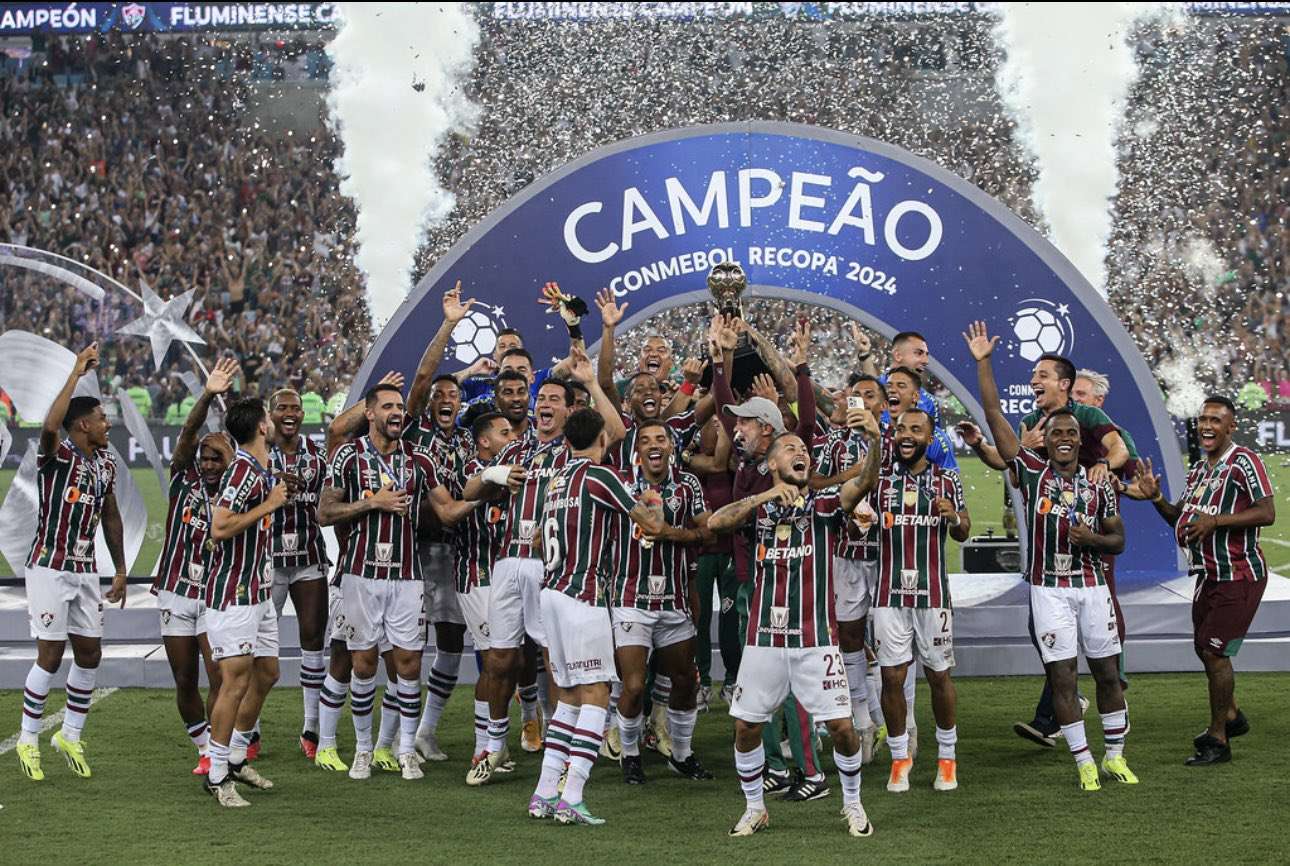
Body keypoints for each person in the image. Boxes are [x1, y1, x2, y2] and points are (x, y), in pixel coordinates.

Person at [967, 321, 1137, 791]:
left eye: (1069, 433)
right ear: (1046, 439)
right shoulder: (1032, 472)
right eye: (1055, 432)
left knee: (1106, 674)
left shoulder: (1096, 483)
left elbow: (1118, 540)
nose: (1062, 437)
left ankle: (1115, 757)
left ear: (1079, 441)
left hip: (1092, 588)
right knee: (1062, 676)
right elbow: (995, 414)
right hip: (1049, 591)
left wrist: (1091, 540)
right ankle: (1084, 763)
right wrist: (984, 364)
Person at [708, 426, 881, 839]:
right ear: (771, 464)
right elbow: (717, 522)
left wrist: (875, 442)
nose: (800, 451)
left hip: (816, 638)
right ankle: (755, 808)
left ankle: (853, 804)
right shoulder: (759, 509)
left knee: (842, 727)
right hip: (763, 638)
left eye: (804, 448)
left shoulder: (823, 506)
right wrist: (766, 495)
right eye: (789, 448)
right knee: (746, 727)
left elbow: (862, 484)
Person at [463, 351, 624, 785]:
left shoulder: (573, 451)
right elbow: (469, 488)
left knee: (557, 661)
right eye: (542, 400)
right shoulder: (513, 448)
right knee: (500, 659)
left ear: (568, 411)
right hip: (506, 563)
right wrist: (494, 475)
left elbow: (617, 432)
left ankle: (563, 742)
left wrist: (589, 384)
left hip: (549, 568)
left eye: (554, 399)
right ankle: (494, 746)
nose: (545, 405)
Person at [526, 408, 668, 826]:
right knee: (596, 695)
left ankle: (543, 793)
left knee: (568, 696)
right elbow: (649, 523)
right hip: (582, 595)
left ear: (567, 440)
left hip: (550, 592)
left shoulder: (556, 480)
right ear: (602, 440)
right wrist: (651, 503)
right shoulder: (598, 475)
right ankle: (572, 795)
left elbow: (537, 537)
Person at [711, 314, 829, 801]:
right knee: (759, 686)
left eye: (744, 421)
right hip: (749, 584)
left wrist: (800, 368)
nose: (734, 426)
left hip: (780, 589)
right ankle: (780, 767)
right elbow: (721, 410)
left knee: (786, 687)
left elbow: (804, 421)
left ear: (766, 428)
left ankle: (813, 773)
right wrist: (719, 360)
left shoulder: (786, 455)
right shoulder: (749, 458)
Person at [1123, 396, 1275, 766]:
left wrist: (1216, 521)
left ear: (1231, 426)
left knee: (1214, 651)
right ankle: (1233, 716)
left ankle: (1218, 739)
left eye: (1216, 420)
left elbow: (1267, 513)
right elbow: (1181, 520)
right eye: (1203, 419)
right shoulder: (1198, 471)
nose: (1206, 426)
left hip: (1238, 573)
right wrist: (1156, 497)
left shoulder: (1244, 461)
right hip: (1207, 575)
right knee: (1204, 648)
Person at [17, 343, 128, 783]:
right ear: (82, 424)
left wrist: (119, 569)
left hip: (85, 570)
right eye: (102, 418)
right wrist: (76, 372)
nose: (108, 423)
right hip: (49, 565)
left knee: (90, 652)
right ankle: (28, 737)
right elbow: (49, 424)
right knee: (50, 653)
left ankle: (70, 734)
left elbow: (111, 515)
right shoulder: (56, 456)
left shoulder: (105, 462)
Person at [318, 383, 440, 782]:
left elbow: (447, 508)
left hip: (407, 576)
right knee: (363, 663)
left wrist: (488, 485)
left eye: (400, 407)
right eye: (387, 406)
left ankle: (405, 751)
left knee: (408, 664)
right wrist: (373, 502)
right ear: (369, 413)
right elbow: (325, 512)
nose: (396, 413)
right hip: (359, 575)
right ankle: (364, 750)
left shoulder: (419, 461)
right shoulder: (348, 458)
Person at [868, 408, 971, 794]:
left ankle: (947, 757)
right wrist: (858, 519)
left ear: (930, 438)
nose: (907, 435)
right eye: (901, 429)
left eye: (916, 430)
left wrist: (954, 518)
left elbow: (963, 531)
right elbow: (856, 520)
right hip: (888, 593)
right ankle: (900, 759)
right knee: (891, 676)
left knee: (938, 675)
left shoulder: (946, 480)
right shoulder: (879, 481)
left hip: (933, 594)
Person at [151, 357, 240, 776]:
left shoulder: (238, 492)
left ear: (231, 462)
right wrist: (208, 393)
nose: (206, 463)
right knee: (184, 679)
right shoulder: (181, 478)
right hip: (174, 588)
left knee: (218, 675)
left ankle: (220, 747)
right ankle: (204, 746)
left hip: (213, 594)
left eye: (215, 458)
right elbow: (188, 432)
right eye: (204, 457)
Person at [612, 420, 713, 784]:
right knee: (634, 686)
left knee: (685, 680)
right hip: (630, 599)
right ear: (637, 450)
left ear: (671, 447)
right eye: (645, 440)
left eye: (661, 439)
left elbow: (707, 529)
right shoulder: (620, 484)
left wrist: (672, 532)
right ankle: (630, 754)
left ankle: (681, 756)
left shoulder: (688, 485)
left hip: (674, 601)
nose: (654, 445)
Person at [204, 397, 290, 807]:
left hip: (257, 591)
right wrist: (270, 505)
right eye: (269, 418)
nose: (273, 422)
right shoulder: (241, 471)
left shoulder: (257, 467)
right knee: (234, 682)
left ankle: (236, 757)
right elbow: (219, 527)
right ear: (260, 426)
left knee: (268, 672)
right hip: (233, 593)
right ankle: (217, 774)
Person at [442, 410, 516, 763]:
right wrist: (494, 480)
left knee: (509, 662)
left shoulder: (517, 468)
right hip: (477, 575)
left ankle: (497, 741)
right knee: (492, 662)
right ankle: (481, 748)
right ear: (484, 441)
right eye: (504, 432)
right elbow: (460, 503)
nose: (513, 436)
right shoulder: (465, 472)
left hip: (509, 575)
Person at [266, 388, 330, 760]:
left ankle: (311, 727)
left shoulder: (316, 457)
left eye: (295, 408)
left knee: (312, 639)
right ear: (271, 414)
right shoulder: (259, 454)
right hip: (269, 560)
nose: (290, 413)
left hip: (308, 557)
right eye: (282, 408)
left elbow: (326, 503)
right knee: (261, 644)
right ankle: (250, 729)